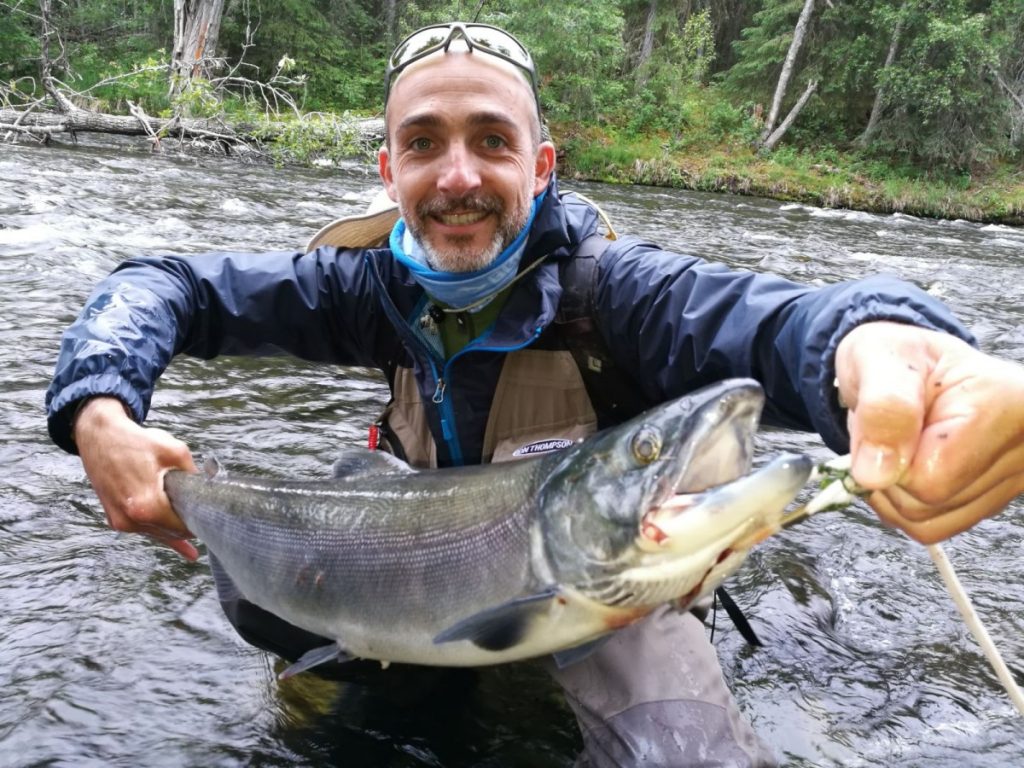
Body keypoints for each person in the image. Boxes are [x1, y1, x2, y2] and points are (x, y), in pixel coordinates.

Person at [46, 21, 1024, 768]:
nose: (458, 175)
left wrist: (890, 341)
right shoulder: (364, 291)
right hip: (414, 567)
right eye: (424, 144)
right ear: (390, 171)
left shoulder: (620, 293)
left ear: (541, 166)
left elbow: (773, 325)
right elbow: (158, 283)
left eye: (491, 142)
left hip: (611, 593)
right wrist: (100, 409)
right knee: (293, 642)